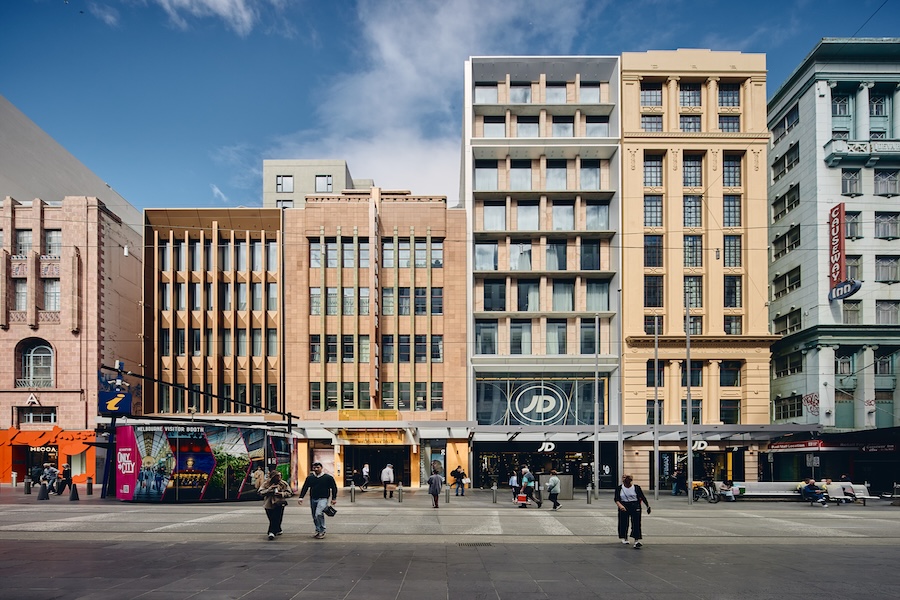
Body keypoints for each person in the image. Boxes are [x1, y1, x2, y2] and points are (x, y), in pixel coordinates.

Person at [298, 462, 338, 539]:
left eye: (318, 467)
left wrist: (334, 498)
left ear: (321, 468)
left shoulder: (328, 478)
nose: (316, 469)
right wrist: (301, 497)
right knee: (314, 515)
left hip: (323, 498)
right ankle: (318, 529)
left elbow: (334, 488)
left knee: (318, 513)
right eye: (314, 468)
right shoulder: (310, 478)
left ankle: (322, 530)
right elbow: (305, 487)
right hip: (313, 498)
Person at [615, 474, 651, 549]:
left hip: (635, 505)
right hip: (624, 505)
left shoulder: (636, 487)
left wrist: (647, 506)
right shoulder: (619, 488)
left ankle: (636, 540)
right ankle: (624, 537)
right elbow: (616, 499)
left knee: (636, 523)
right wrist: (620, 506)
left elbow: (642, 497)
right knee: (623, 522)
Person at [258, 470, 293, 540]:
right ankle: (278, 529)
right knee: (271, 518)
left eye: (280, 476)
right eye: (277, 476)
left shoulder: (283, 484)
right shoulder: (266, 483)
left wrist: (282, 494)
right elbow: (260, 492)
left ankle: (271, 532)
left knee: (277, 518)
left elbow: (289, 493)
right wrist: (269, 490)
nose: (279, 478)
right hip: (268, 503)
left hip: (279, 503)